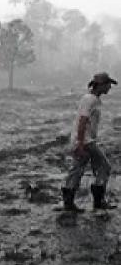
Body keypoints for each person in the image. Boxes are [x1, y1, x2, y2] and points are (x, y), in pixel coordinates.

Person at [61, 72, 117, 211]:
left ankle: (69, 203)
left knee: (77, 169)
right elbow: (82, 122)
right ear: (101, 85)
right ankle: (98, 201)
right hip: (85, 141)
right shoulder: (90, 100)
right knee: (104, 167)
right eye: (108, 84)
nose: (110, 87)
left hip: (84, 140)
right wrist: (80, 144)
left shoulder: (93, 99)